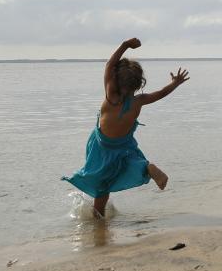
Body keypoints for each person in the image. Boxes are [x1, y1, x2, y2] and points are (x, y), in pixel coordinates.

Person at [62, 38, 189, 218]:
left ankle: (98, 219)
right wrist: (174, 83)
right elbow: (160, 93)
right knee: (133, 163)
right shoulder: (139, 101)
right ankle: (148, 168)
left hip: (103, 146)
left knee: (101, 182)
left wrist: (124, 45)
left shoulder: (111, 96)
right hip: (126, 145)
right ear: (138, 84)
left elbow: (109, 64)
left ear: (115, 80)